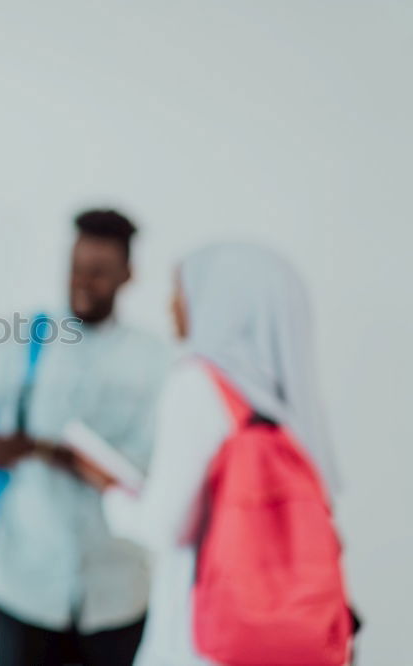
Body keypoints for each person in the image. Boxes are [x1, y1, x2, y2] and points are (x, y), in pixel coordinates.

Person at [0, 210, 170, 666]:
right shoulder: (22, 340)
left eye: (99, 272)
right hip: (27, 585)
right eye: (76, 268)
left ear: (127, 274)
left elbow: (149, 472)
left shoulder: (153, 362)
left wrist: (41, 449)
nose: (83, 282)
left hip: (116, 590)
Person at [79, 242, 343, 665]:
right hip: (281, 637)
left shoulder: (198, 384)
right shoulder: (286, 397)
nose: (171, 306)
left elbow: (165, 528)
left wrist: (110, 489)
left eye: (181, 290)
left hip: (202, 639)